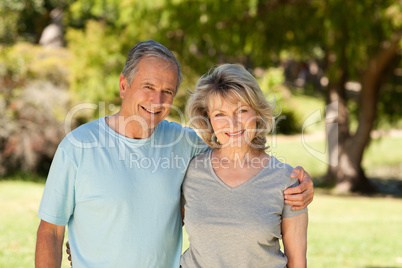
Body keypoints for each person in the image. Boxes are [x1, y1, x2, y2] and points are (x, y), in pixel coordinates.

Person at [35, 40, 313, 268]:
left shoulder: (186, 145)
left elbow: (240, 156)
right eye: (148, 87)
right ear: (123, 85)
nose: (157, 101)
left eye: (167, 91)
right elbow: (51, 232)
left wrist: (302, 185)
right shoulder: (78, 147)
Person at [180, 64, 308, 267]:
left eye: (241, 111)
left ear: (257, 113)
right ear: (208, 119)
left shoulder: (286, 180)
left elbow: (297, 262)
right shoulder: (190, 171)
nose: (232, 123)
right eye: (220, 114)